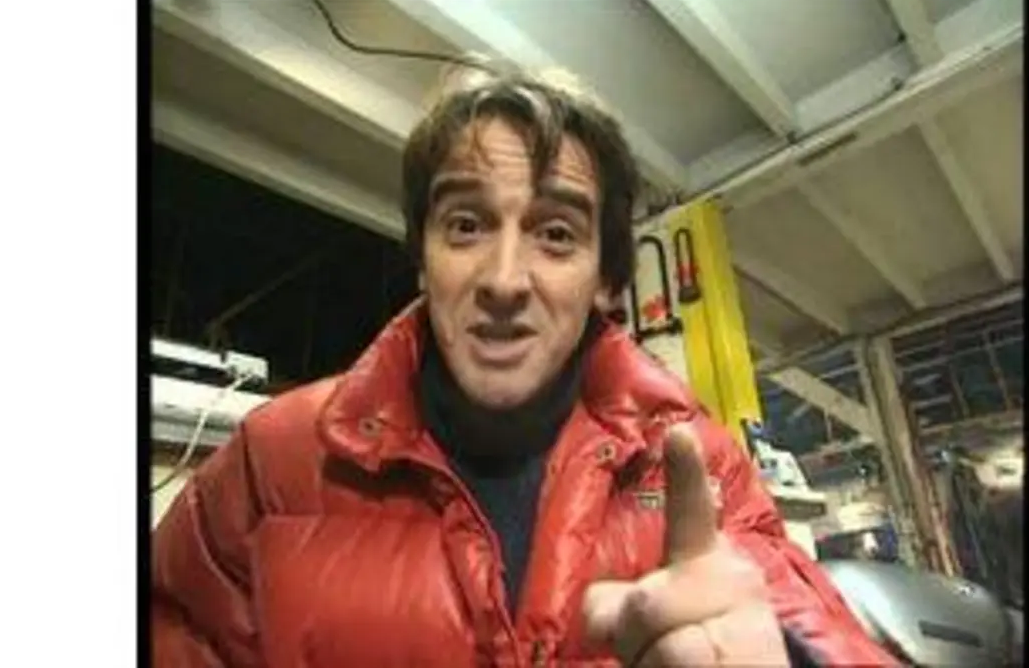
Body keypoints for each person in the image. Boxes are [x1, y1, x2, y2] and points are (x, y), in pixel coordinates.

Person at [151, 65, 897, 667]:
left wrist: (788, 657)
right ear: (423, 259)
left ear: (607, 282)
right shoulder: (270, 458)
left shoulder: (695, 468)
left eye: (556, 234)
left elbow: (821, 630)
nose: (505, 280)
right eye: (466, 224)